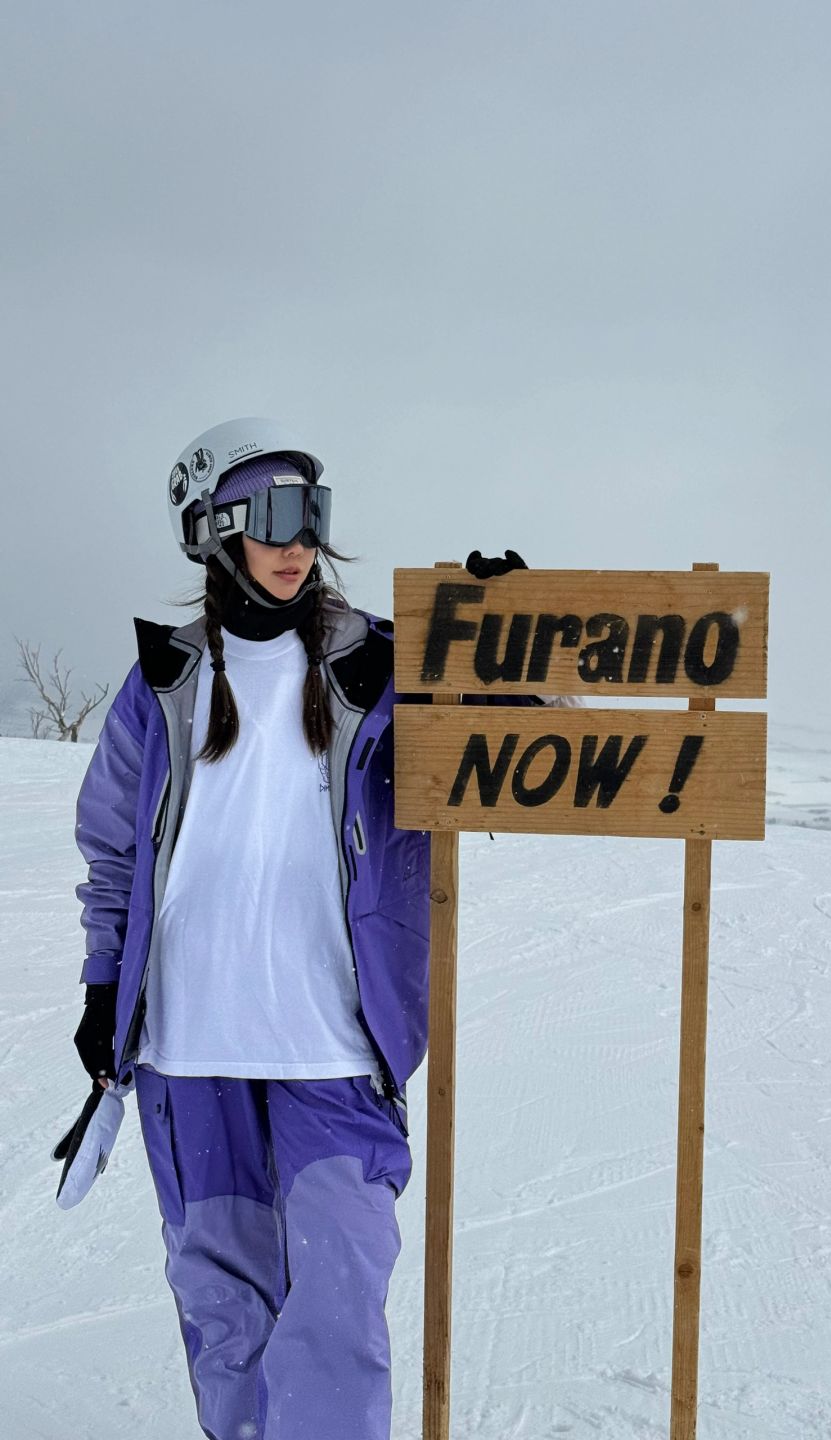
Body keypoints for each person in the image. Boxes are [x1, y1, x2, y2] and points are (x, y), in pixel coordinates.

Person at [70, 417, 538, 1440]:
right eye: (274, 517)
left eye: (312, 516)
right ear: (211, 532)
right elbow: (113, 854)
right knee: (225, 1318)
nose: (298, 542)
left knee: (334, 1317)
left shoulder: (380, 662)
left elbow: (512, 744)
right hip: (189, 1056)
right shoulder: (164, 685)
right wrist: (107, 987)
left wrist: (507, 636)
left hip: (331, 1051)